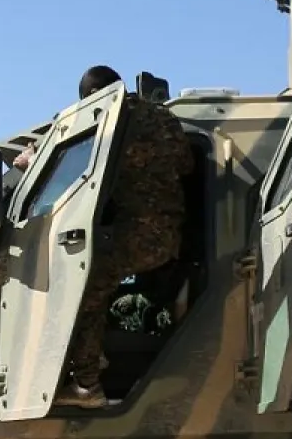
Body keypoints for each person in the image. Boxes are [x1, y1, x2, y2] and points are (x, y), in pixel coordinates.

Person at [54, 65, 194, 409]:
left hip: (138, 235)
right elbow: (188, 165)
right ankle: (94, 356)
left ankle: (87, 383)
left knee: (84, 283)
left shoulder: (106, 122)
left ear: (91, 97)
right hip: (169, 237)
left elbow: (73, 172)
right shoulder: (165, 120)